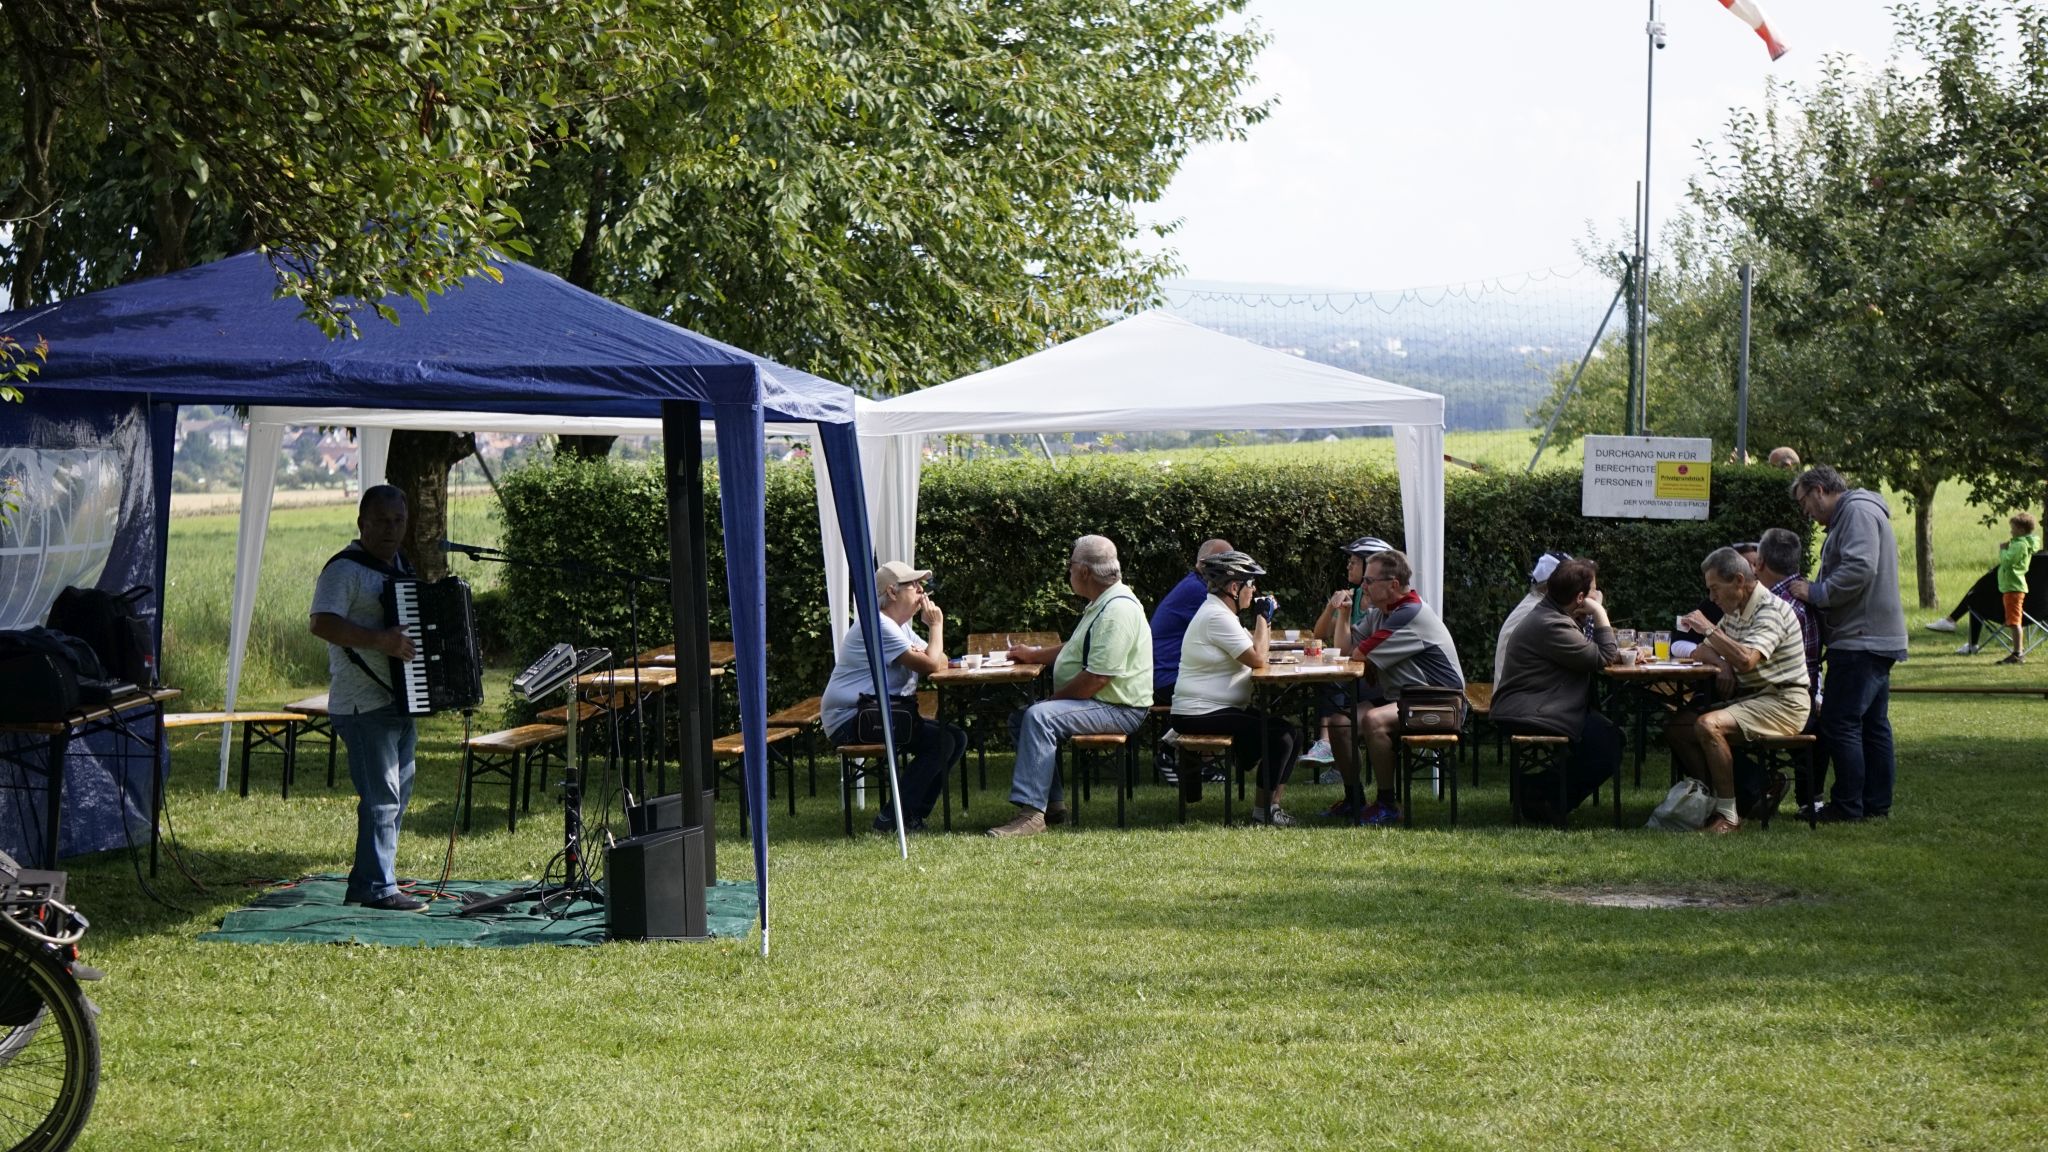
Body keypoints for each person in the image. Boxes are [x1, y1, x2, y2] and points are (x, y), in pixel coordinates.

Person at [308, 485, 425, 911]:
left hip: (399, 698)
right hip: (361, 703)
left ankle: (372, 878)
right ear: (362, 523)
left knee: (397, 793)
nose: (391, 529)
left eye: (399, 521)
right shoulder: (345, 570)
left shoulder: (401, 565)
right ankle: (377, 888)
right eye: (382, 521)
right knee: (381, 797)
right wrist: (381, 640)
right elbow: (321, 623)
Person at [988, 535, 1153, 837]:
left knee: (1039, 716)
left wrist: (1053, 700)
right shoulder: (1103, 603)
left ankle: (1031, 815)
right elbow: (1075, 646)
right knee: (1021, 718)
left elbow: (1097, 678)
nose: (1069, 570)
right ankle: (1052, 804)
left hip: (1119, 708)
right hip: (1104, 702)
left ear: (1085, 572)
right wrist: (1035, 655)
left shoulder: (1117, 611)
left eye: (1071, 564)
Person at [1786, 465, 1908, 822]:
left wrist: (1816, 592)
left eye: (1804, 502)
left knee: (1840, 722)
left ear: (1819, 490)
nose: (1806, 512)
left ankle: (1847, 805)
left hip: (1859, 639)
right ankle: (1875, 805)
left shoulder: (1856, 512)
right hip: (1874, 636)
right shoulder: (1862, 511)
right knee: (1872, 724)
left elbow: (1859, 568)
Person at [1669, 546, 1812, 834]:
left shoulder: (1770, 610)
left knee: (1708, 725)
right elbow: (1702, 650)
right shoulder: (1735, 610)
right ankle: (1716, 802)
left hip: (1785, 702)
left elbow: (1746, 659)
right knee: (1678, 727)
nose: (1712, 598)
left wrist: (1710, 630)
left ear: (1738, 580)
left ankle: (1729, 817)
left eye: (1714, 589)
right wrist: (1722, 663)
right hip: (1755, 698)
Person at [819, 561, 968, 833]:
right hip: (851, 719)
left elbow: (942, 659)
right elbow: (930, 664)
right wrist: (936, 627)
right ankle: (893, 817)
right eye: (914, 585)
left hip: (875, 713)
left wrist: (928, 652)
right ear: (891, 592)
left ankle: (909, 815)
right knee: (943, 741)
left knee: (956, 737)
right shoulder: (880, 625)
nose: (922, 591)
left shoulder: (899, 627)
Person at [1168, 550, 1302, 826]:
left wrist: (1264, 621)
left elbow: (1257, 650)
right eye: (1251, 584)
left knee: (1293, 734)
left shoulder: (1222, 614)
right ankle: (1262, 813)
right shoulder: (1216, 617)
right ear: (1233, 588)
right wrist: (1262, 617)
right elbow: (1258, 658)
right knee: (1281, 737)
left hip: (1215, 708)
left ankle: (1272, 807)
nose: (1254, 591)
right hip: (1199, 712)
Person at [1334, 548, 1465, 827]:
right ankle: (1353, 800)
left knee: (1374, 720)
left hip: (1441, 702)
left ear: (1393, 585)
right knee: (1339, 724)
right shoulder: (1382, 612)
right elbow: (1344, 650)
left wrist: (1364, 657)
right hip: (1407, 697)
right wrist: (1344, 613)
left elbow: (1358, 654)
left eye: (1369, 581)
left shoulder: (1409, 614)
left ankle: (1387, 804)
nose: (1363, 586)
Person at [1490, 558, 1624, 824]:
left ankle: (1540, 792)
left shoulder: (1551, 614)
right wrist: (1599, 611)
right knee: (1608, 744)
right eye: (1594, 591)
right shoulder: (1552, 624)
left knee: (1606, 737)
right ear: (1580, 598)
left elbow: (1585, 652)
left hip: (1541, 703)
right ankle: (1541, 794)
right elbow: (1603, 656)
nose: (1598, 594)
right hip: (1532, 710)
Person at [1745, 527, 1827, 816]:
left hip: (1782, 701)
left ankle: (1752, 789)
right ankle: (1808, 798)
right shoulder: (1807, 595)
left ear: (1760, 563)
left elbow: (1755, 663)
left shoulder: (1777, 606)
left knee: (1703, 718)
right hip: (1810, 696)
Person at [1302, 535, 1392, 769]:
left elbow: (1358, 650)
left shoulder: (1384, 608)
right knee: (1332, 680)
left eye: (1353, 562)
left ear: (1369, 566)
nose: (1348, 566)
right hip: (1358, 672)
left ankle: (1327, 745)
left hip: (1377, 680)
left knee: (1336, 682)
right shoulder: (1353, 596)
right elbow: (1319, 633)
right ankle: (1331, 750)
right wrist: (1332, 607)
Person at [1149, 538, 1234, 705]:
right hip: (1168, 680)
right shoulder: (1198, 591)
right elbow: (1232, 639)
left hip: (1172, 676)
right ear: (1203, 563)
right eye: (1225, 562)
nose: (1231, 569)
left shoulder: (1197, 585)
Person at [1494, 550, 1572, 686]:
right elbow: (1583, 652)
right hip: (1520, 693)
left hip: (1516, 690)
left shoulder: (1534, 603)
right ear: (1553, 586)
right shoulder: (1542, 612)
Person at [1994, 513, 2039, 665]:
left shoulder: (2020, 545)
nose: (2011, 531)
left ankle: (2018, 653)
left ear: (2021, 530)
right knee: (2014, 620)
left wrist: (2003, 550)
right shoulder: (2020, 543)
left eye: (2013, 528)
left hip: (2013, 587)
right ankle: (2017, 652)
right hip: (2012, 586)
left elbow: (2007, 563)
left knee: (2014, 621)